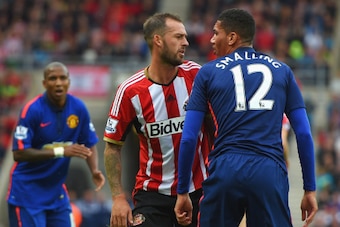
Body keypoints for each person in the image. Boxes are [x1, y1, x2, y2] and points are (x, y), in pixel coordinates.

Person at [174, 8, 318, 227]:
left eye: (216, 33)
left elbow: (188, 137)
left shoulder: (208, 72)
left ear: (232, 37)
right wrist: (309, 188)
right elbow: (305, 134)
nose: (211, 39)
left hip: (225, 169)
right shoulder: (283, 71)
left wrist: (182, 190)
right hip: (269, 171)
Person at [103, 12, 211, 227]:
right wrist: (117, 198)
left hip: (199, 191)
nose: (186, 43)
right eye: (178, 37)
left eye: (185, 37)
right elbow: (112, 148)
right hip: (152, 194)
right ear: (158, 40)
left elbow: (218, 127)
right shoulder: (129, 91)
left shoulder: (198, 76)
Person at [7, 61, 105, 227]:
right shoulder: (32, 110)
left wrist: (94, 170)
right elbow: (19, 153)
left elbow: (89, 143)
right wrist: (61, 151)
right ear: (45, 83)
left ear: (69, 81)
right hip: (27, 195)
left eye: (62, 78)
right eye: (53, 78)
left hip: (56, 195)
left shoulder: (78, 108)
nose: (58, 82)